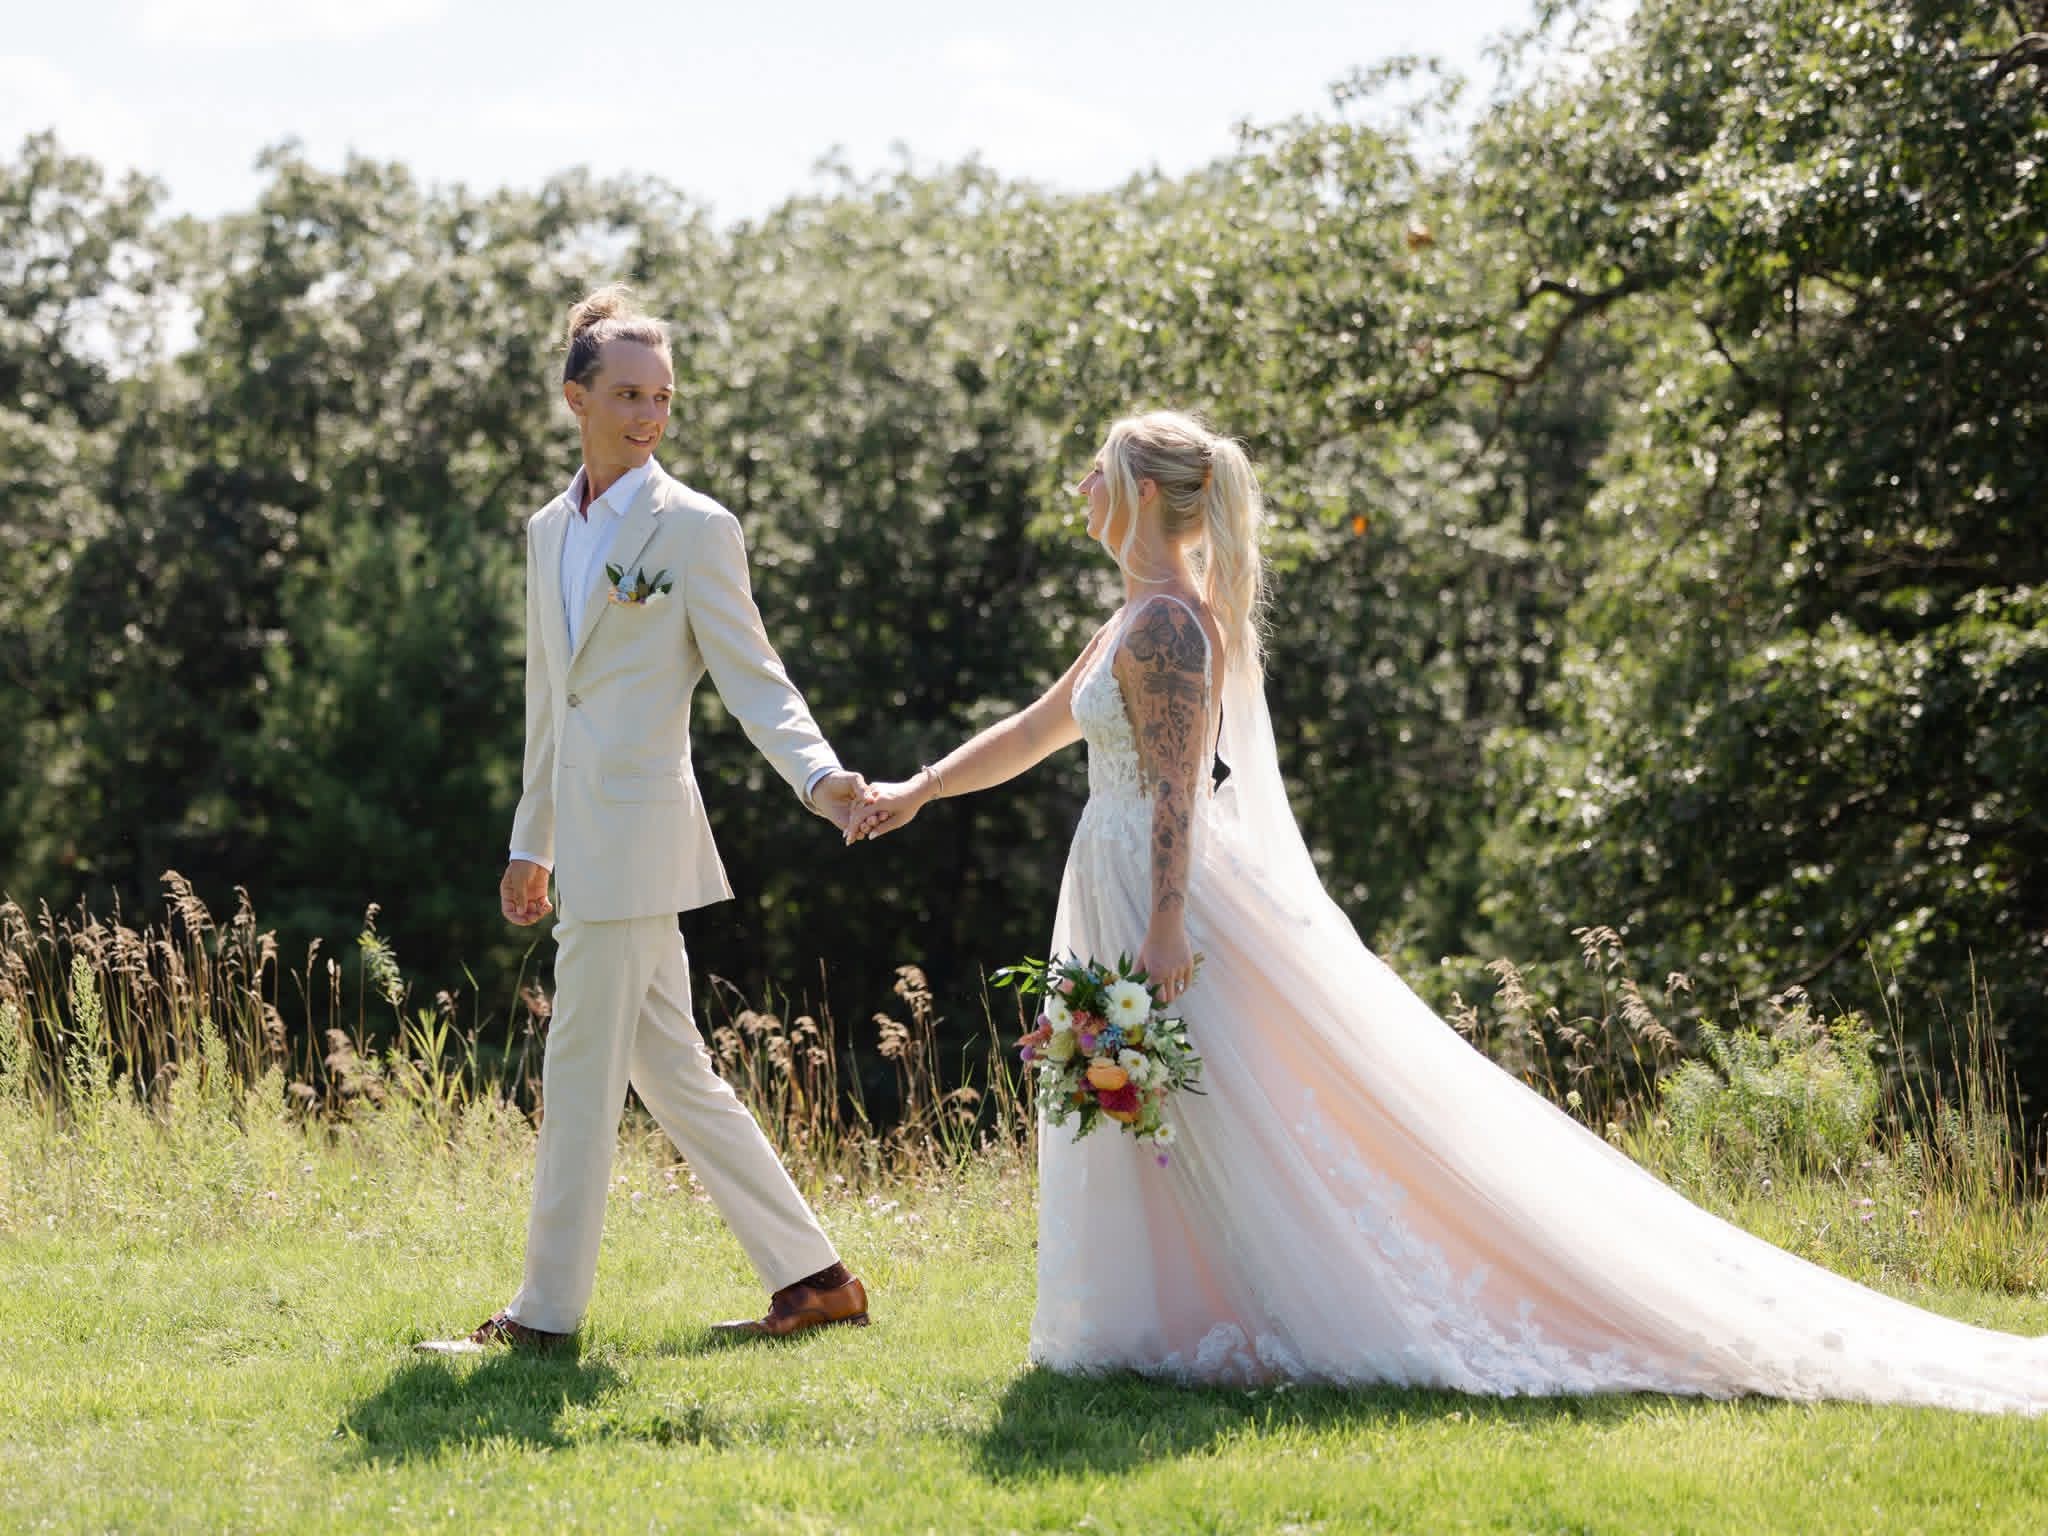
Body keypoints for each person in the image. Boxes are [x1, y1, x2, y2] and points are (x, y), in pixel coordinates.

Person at [849, 408, 2048, 1413]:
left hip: (1160, 892)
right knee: (1158, 1107)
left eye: (1095, 471)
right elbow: (1032, 733)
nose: (1078, 487)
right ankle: (1172, 1316)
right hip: (1111, 876)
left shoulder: (1166, 625)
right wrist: (915, 790)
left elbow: (1173, 788)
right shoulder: (1131, 618)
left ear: (1139, 492)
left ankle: (1289, 1305)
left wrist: (1164, 925)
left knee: (1213, 1103)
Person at [420, 287, 870, 1353]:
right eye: (625, 394)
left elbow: (755, 679)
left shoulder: (697, 528)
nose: (647, 415)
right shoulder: (544, 532)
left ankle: (543, 1319)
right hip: (579, 842)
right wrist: (532, 840)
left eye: (660, 396)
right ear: (574, 398)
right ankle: (816, 1280)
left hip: (639, 841)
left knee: (576, 1074)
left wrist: (822, 780)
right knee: (671, 1068)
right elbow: (551, 702)